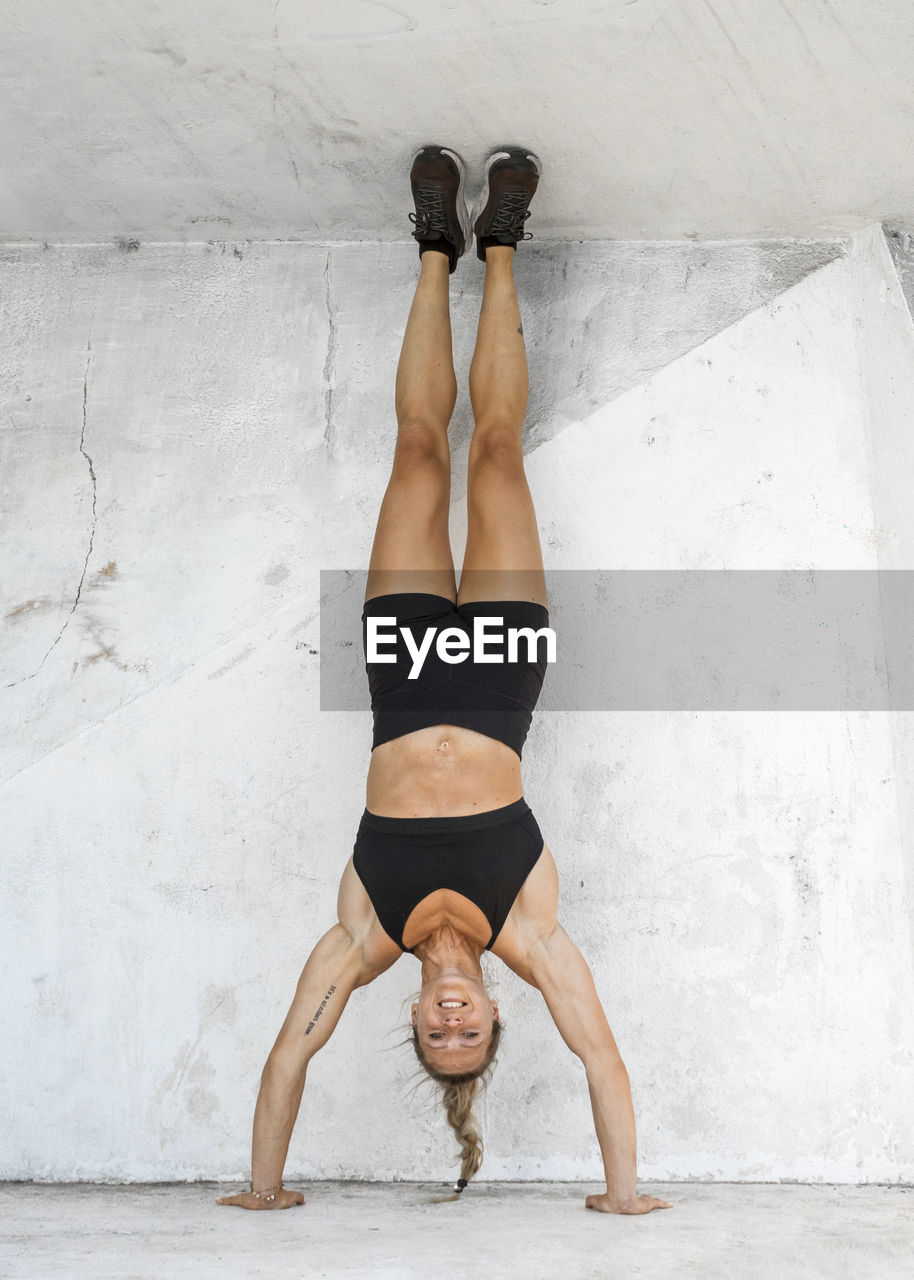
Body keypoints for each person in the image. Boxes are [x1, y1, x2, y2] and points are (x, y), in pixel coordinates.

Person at [217, 146, 672, 1215]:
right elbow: (601, 1057)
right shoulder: (528, 931)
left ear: (419, 1019)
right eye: (471, 1033)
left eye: (438, 1034)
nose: (453, 1021)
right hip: (501, 672)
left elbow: (291, 1050)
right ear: (496, 1018)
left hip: (404, 673)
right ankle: (502, 245)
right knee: (498, 458)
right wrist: (623, 1198)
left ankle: (433, 246)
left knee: (419, 454)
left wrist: (263, 1189)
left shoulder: (365, 931)